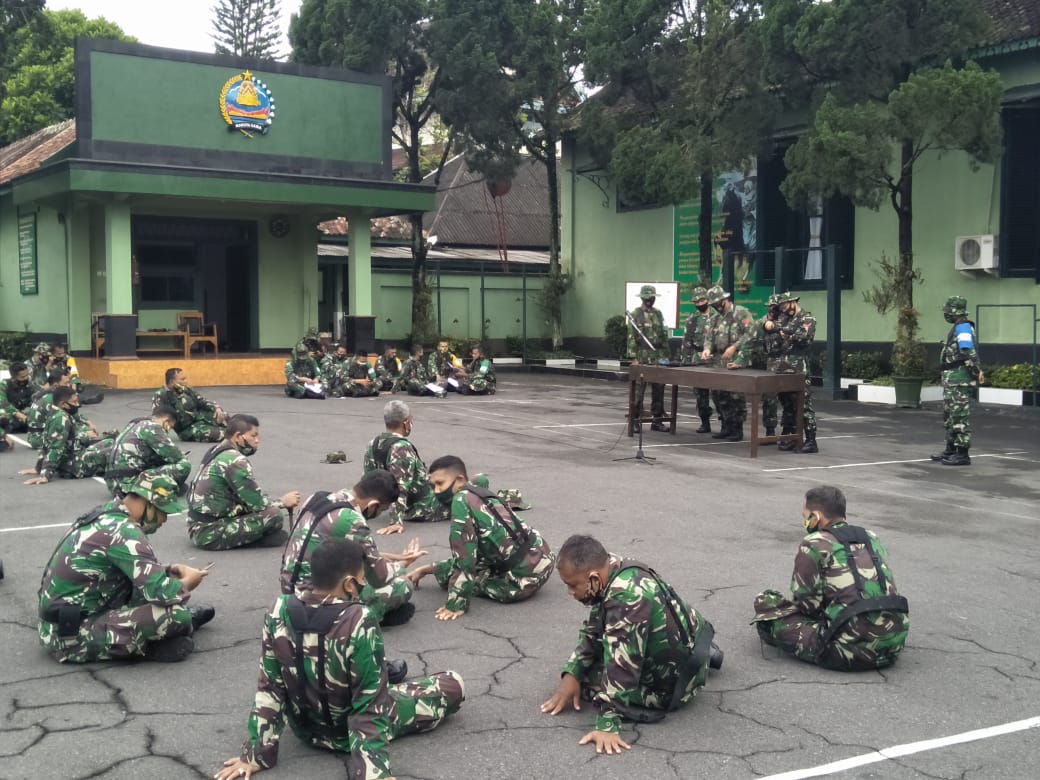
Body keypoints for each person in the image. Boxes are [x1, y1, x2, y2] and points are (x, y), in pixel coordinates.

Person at [215, 539, 465, 780]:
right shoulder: (358, 618)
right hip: (346, 732)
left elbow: (269, 685)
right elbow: (370, 702)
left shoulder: (279, 608)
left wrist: (255, 755)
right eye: (361, 580)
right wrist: (373, 771)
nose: (363, 585)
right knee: (452, 683)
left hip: (307, 730)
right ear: (348, 584)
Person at [541, 535, 719, 754]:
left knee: (591, 682)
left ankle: (683, 680)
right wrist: (572, 672)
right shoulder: (616, 568)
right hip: (694, 650)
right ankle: (704, 660)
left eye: (573, 585)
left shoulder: (625, 599)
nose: (570, 592)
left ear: (594, 578)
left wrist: (607, 724)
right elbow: (595, 627)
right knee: (585, 667)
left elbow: (622, 665)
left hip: (673, 687)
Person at [37, 473, 215, 663]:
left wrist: (168, 570)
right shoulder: (125, 532)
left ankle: (151, 636)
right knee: (176, 615)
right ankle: (149, 645)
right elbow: (162, 593)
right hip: (73, 636)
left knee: (146, 593)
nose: (164, 519)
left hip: (60, 623)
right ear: (147, 503)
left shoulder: (107, 514)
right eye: (163, 511)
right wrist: (189, 583)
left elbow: (130, 571)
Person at [752, 486, 909, 671]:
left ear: (816, 517)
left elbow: (807, 605)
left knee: (767, 603)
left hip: (845, 650)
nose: (805, 522)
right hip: (893, 643)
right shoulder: (869, 536)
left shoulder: (814, 542)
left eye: (805, 517)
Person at [408, 455, 555, 620]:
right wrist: (428, 569)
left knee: (455, 578)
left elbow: (465, 560)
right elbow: (482, 478)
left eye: (440, 484)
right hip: (543, 557)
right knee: (459, 570)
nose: (436, 491)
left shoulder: (460, 500)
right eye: (433, 485)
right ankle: (428, 571)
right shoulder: (477, 490)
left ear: (459, 480)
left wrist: (456, 603)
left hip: (525, 578)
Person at [280, 470, 425, 626]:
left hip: (290, 590)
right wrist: (401, 567)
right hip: (316, 604)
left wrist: (395, 558)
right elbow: (379, 578)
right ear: (373, 505)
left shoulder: (317, 497)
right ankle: (359, 618)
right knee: (403, 585)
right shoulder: (352, 520)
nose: (378, 514)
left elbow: (348, 553)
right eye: (382, 510)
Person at [186, 414, 301, 550]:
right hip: (209, 534)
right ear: (238, 437)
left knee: (253, 511)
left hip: (197, 524)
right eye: (253, 436)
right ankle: (253, 541)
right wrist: (283, 502)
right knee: (274, 515)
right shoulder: (235, 460)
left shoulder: (216, 450)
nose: (257, 441)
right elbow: (257, 503)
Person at [363, 400, 443, 535]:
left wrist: (365, 510)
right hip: (422, 506)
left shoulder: (374, 443)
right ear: (405, 422)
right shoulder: (401, 448)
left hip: (407, 504)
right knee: (474, 485)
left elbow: (368, 479)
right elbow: (401, 486)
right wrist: (396, 521)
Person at [21, 386, 114, 485]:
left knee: (109, 439)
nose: (77, 405)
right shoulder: (61, 419)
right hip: (74, 465)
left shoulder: (55, 413)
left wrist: (38, 467)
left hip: (70, 459)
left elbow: (46, 444)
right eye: (74, 402)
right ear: (63, 404)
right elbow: (55, 448)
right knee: (114, 447)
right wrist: (45, 475)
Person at [932, 295, 983, 466]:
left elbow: (968, 353)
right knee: (950, 416)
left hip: (959, 380)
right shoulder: (958, 327)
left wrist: (976, 372)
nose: (947, 315)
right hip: (952, 379)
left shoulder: (963, 328)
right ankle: (951, 449)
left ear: (955, 312)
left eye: (949, 311)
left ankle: (962, 454)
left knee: (959, 416)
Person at [702, 285, 753, 441]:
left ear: (724, 300)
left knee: (735, 396)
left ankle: (737, 429)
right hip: (718, 361)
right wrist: (707, 349)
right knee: (719, 395)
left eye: (718, 304)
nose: (716, 307)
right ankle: (725, 425)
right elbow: (709, 337)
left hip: (736, 360)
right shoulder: (714, 318)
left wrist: (734, 347)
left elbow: (750, 334)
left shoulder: (741, 313)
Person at [104, 405, 191, 496]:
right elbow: (175, 456)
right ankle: (165, 487)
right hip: (131, 483)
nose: (168, 431)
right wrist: (182, 456)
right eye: (170, 427)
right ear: (166, 422)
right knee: (183, 465)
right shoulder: (153, 427)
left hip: (113, 483)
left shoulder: (135, 423)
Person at [732, 293, 785, 441]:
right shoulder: (761, 323)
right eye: (770, 307)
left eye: (775, 308)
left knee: (791, 399)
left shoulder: (788, 322)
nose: (772, 310)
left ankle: (789, 431)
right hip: (773, 362)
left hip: (790, 362)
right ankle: (770, 431)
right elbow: (749, 342)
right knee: (769, 397)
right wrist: (739, 360)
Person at [774, 291, 819, 453]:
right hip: (783, 366)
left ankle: (811, 440)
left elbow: (804, 338)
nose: (783, 309)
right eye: (781, 307)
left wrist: (785, 332)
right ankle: (791, 436)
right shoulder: (785, 319)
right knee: (787, 403)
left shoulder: (807, 319)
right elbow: (775, 338)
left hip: (799, 367)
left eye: (785, 305)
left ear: (793, 302)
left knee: (804, 404)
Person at [628, 284, 670, 432]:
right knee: (639, 391)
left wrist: (666, 355)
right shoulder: (635, 314)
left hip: (657, 357)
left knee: (659, 389)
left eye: (651, 298)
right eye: (646, 298)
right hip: (642, 356)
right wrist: (634, 357)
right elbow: (631, 337)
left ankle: (657, 420)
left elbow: (664, 336)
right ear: (642, 298)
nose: (649, 301)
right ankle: (635, 420)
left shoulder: (658, 314)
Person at [679, 285, 717, 433]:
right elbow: (686, 342)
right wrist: (685, 362)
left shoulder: (717, 316)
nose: (700, 304)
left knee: (720, 393)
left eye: (702, 300)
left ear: (707, 299)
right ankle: (705, 421)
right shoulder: (692, 319)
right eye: (696, 302)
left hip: (715, 358)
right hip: (698, 358)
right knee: (701, 393)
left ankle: (727, 424)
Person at [152, 368, 227, 441]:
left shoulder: (187, 389)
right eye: (183, 379)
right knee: (220, 434)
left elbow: (202, 400)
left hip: (200, 419)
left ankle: (231, 428)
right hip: (187, 429)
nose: (186, 381)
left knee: (224, 414)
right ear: (172, 382)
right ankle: (228, 433)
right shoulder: (161, 395)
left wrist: (216, 408)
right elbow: (158, 418)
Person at [25, 368, 72, 448]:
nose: (69, 386)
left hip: (41, 434)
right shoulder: (52, 400)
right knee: (82, 437)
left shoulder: (50, 395)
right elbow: (63, 421)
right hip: (39, 437)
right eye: (66, 383)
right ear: (56, 385)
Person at [0, 361, 34, 434]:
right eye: (22, 377)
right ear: (14, 376)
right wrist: (16, 413)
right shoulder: (4, 385)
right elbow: (3, 402)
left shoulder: (30, 384)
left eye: (27, 375)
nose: (26, 378)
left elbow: (37, 398)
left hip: (25, 412)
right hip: (11, 413)